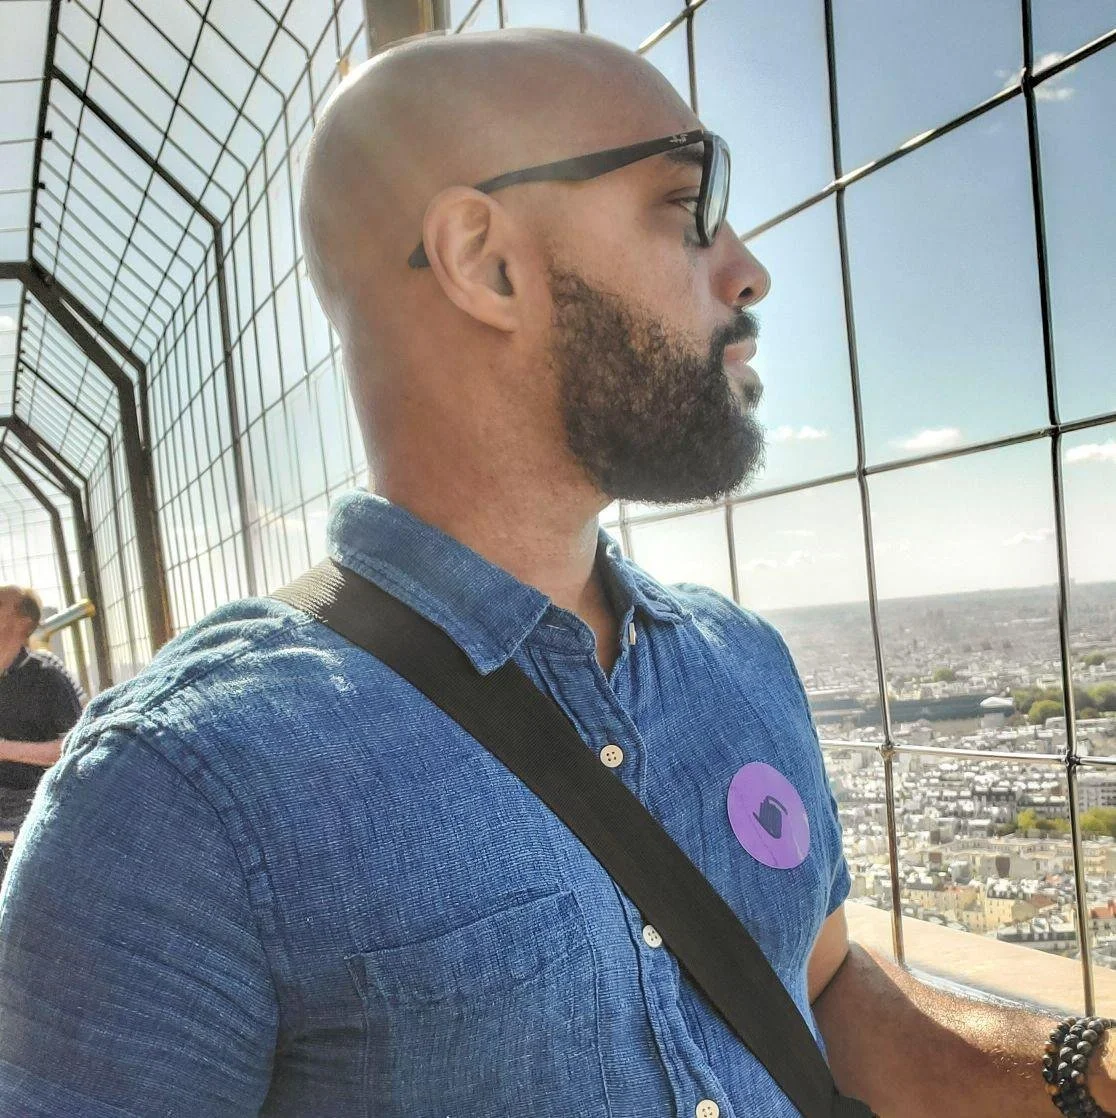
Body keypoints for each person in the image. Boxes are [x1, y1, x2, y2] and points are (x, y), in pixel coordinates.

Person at [0, 28, 1105, 1118]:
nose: (749, 268)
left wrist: (1081, 1068)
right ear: (488, 261)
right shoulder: (177, 788)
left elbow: (817, 987)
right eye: (688, 205)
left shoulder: (740, 661)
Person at [0, 586, 85, 865]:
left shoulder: (48, 678)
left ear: (24, 622)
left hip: (31, 807)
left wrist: (4, 749)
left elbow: (74, 748)